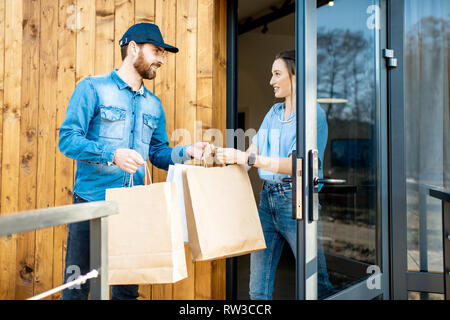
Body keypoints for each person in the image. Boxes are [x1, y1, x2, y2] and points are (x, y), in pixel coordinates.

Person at [58, 23, 213, 300]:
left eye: (163, 53)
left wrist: (187, 151)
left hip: (134, 209)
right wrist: (112, 154)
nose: (162, 60)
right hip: (91, 204)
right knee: (77, 289)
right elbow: (68, 140)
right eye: (156, 51)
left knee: (127, 292)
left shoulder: (154, 105)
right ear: (132, 49)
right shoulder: (92, 88)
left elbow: (158, 154)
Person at [215, 50, 333, 300]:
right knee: (257, 289)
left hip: (298, 201)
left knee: (317, 284)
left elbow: (298, 164)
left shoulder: (314, 114)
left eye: (277, 74)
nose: (271, 81)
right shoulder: (273, 113)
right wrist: (221, 163)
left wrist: (247, 158)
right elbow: (251, 154)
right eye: (272, 74)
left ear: (295, 76)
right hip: (266, 202)